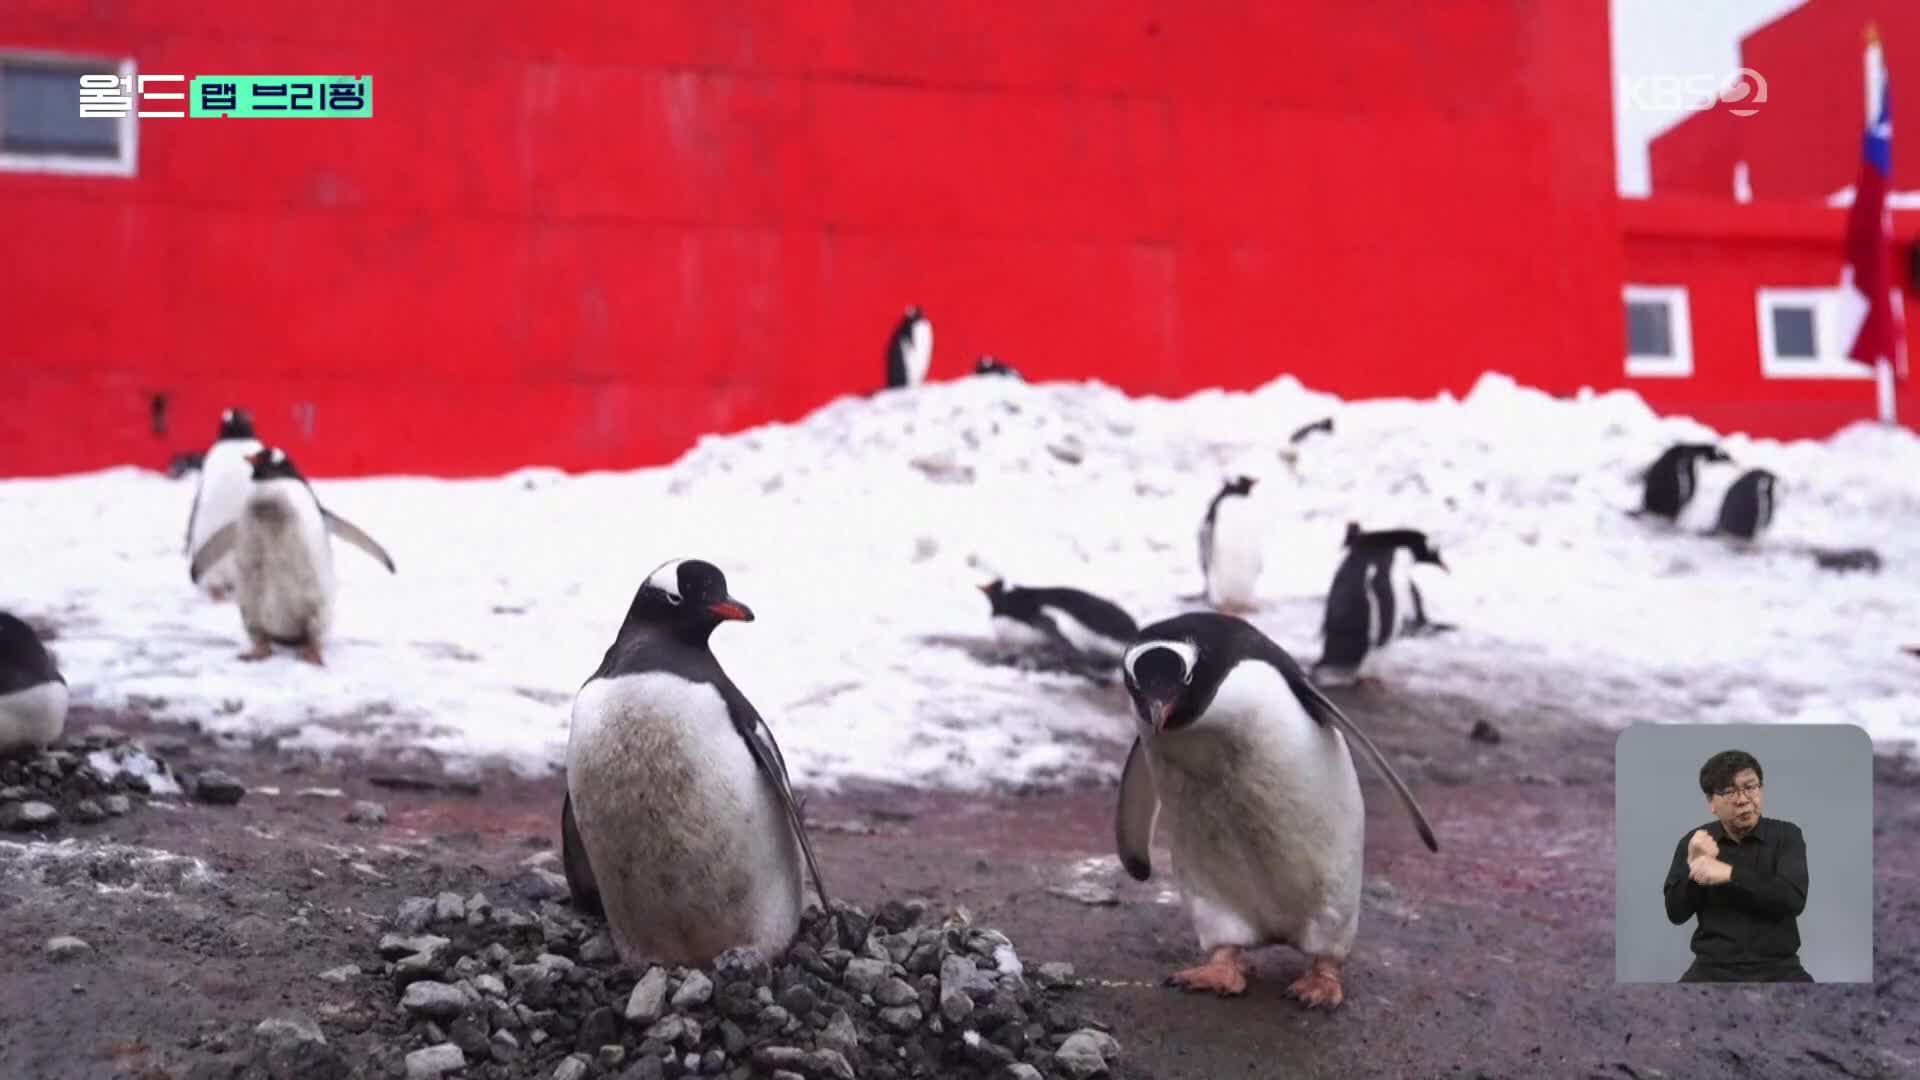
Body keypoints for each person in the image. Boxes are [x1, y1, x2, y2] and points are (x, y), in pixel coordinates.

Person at [1662, 749, 1813, 982]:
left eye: (1750, 787)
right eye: (1729, 791)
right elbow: (1676, 913)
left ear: (1760, 789)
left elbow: (1793, 900)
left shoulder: (1787, 835)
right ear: (1711, 802)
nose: (1743, 800)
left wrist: (1728, 873)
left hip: (1780, 968)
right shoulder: (1697, 841)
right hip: (1711, 968)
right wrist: (1697, 872)